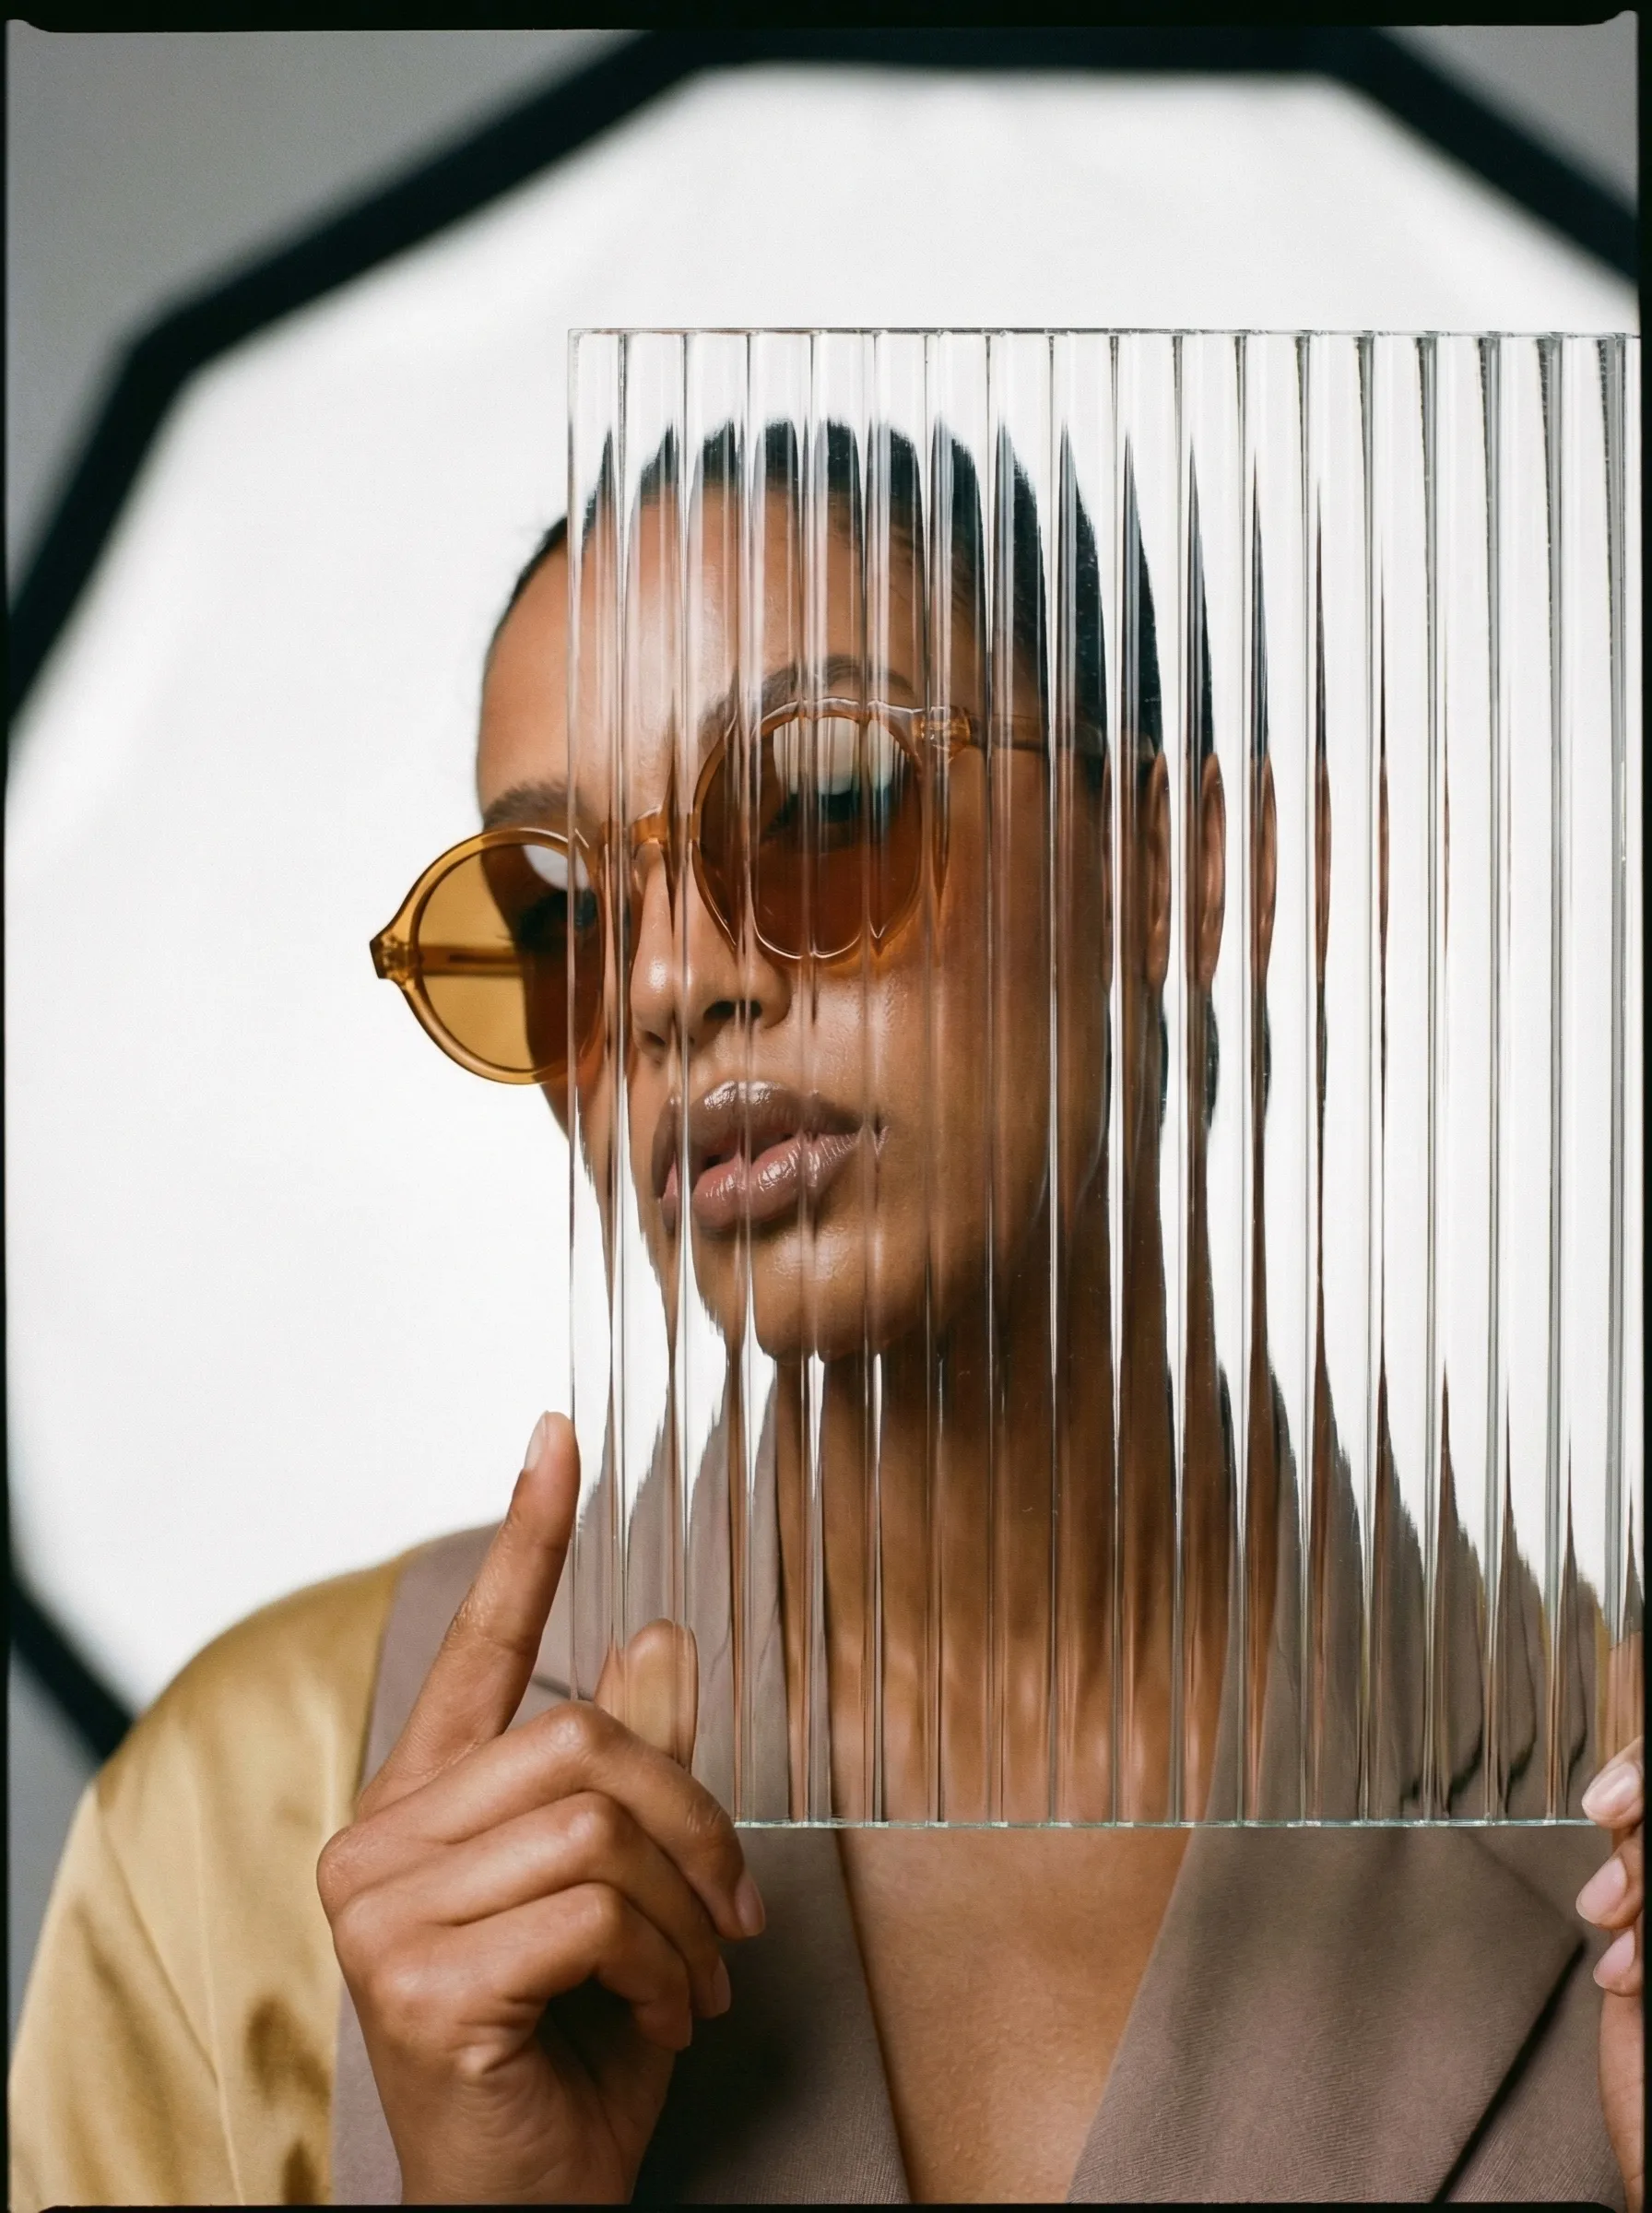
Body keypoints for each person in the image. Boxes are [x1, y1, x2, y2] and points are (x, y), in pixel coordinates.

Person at [10, 419, 1643, 2208]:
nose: (668, 985)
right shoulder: (254, 1806)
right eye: (557, 914)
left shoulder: (1603, 1780)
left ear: (1178, 864)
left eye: (827, 811)